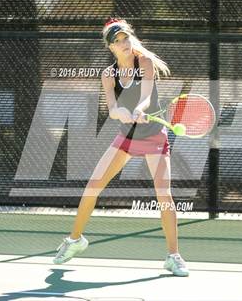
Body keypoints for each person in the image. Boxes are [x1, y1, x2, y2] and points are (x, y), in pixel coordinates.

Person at [52, 18, 189, 276]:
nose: (124, 43)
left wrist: (139, 108)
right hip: (126, 139)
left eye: (126, 38)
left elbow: (147, 94)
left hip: (153, 138)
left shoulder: (144, 63)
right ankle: (75, 240)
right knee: (92, 187)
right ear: (110, 47)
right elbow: (112, 108)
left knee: (164, 196)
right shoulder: (108, 75)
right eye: (118, 41)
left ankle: (173, 256)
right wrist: (121, 113)